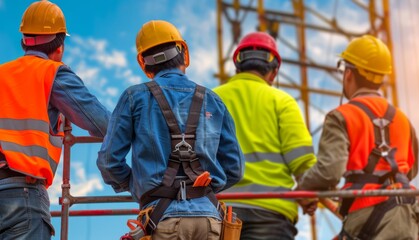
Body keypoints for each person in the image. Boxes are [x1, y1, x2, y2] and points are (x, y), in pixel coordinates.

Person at [97, 20, 244, 240]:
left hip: (161, 219)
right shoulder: (213, 101)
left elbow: (109, 162)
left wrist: (140, 186)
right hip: (209, 220)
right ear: (183, 52)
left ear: (143, 62)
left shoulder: (134, 97)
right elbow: (235, 168)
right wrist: (205, 188)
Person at [0, 1, 111, 239]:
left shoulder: (2, 74)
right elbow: (101, 123)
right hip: (22, 192)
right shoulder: (50, 72)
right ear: (60, 46)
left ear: (24, 41)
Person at [298, 35, 419, 239]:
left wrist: (303, 188)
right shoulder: (403, 119)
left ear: (348, 73)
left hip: (365, 216)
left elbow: (329, 172)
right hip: (407, 215)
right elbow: (410, 169)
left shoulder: (342, 116)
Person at [213, 32, 317, 240]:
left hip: (218, 212)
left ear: (237, 66)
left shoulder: (212, 99)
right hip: (271, 213)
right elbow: (302, 162)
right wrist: (309, 194)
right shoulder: (282, 102)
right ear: (273, 72)